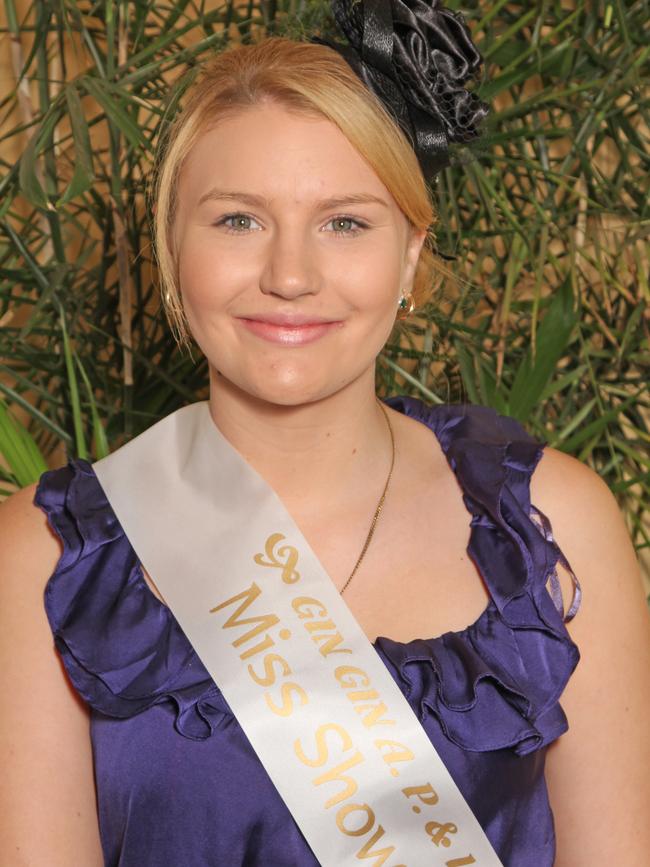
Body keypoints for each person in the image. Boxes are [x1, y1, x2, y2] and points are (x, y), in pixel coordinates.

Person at [1, 3, 649, 865]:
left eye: (346, 221)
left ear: (411, 255)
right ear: (170, 245)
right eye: (239, 219)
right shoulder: (45, 559)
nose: (290, 275)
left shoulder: (548, 527)